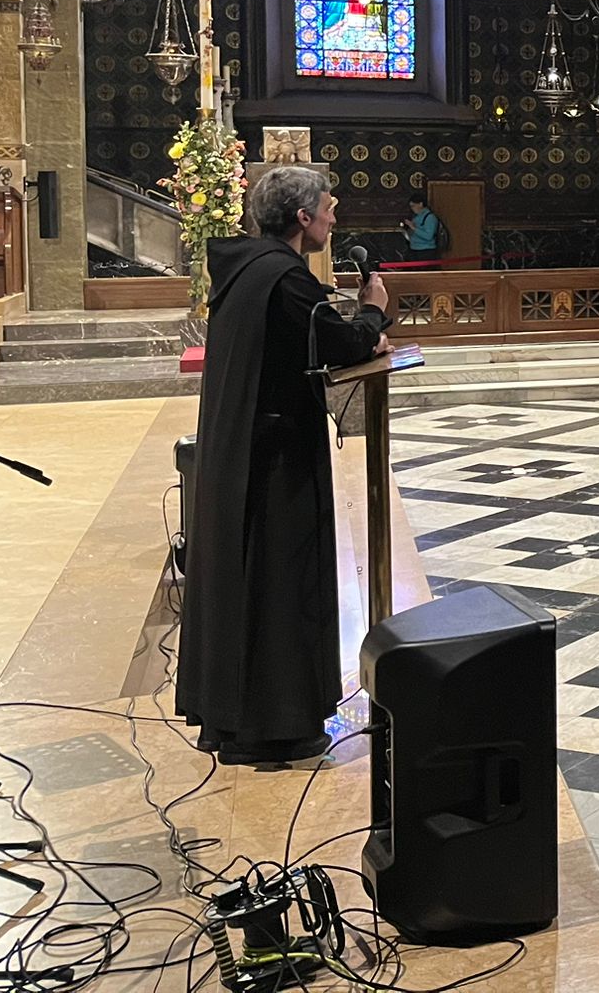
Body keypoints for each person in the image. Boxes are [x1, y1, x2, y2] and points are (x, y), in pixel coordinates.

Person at [177, 166, 389, 765]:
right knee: (279, 583)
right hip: (274, 468)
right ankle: (276, 725)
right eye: (328, 205)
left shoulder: (251, 268)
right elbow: (343, 345)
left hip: (246, 455)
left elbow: (309, 338)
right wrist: (374, 313)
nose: (333, 214)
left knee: (252, 583)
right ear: (302, 217)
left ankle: (237, 720)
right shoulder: (283, 277)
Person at [400, 189, 445, 264]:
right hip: (414, 249)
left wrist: (413, 227)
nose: (412, 208)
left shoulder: (430, 218)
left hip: (426, 251)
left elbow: (428, 236)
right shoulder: (416, 217)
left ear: (420, 204)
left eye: (413, 206)